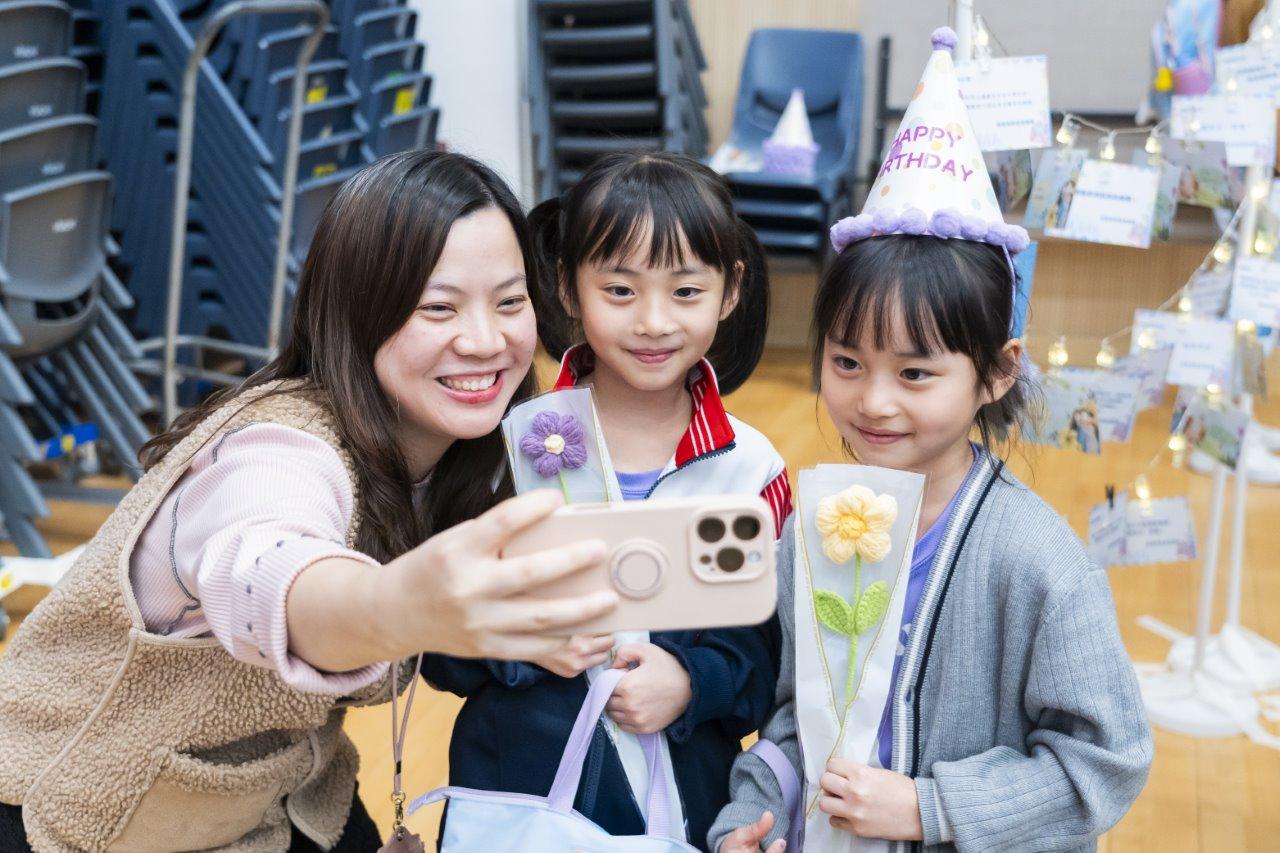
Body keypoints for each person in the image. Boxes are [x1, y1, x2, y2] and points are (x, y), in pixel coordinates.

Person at [0, 151, 618, 851]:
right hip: (74, 810)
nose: (485, 340)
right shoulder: (278, 448)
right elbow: (265, 564)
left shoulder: (471, 450)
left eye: (509, 302)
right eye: (437, 307)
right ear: (358, 313)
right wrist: (399, 605)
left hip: (279, 794)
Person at [712, 27, 1152, 853]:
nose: (873, 400)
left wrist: (929, 806)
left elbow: (1105, 761)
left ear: (996, 372)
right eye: (847, 361)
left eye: (915, 372)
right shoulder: (817, 527)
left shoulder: (1038, 563)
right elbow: (795, 715)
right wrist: (751, 818)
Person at [422, 152, 787, 849]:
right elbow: (434, 642)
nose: (653, 321)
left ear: (730, 290)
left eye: (686, 291)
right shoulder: (505, 446)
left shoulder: (750, 468)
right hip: (522, 806)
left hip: (687, 805)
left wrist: (693, 682)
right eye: (620, 290)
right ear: (567, 286)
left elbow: (769, 655)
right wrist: (522, 644)